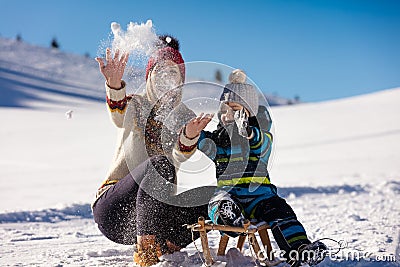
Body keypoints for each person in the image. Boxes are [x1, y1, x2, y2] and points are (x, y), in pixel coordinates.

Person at [174, 69, 327, 266]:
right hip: (229, 195)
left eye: (235, 109)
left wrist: (248, 132)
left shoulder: (260, 137)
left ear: (248, 112)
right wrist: (190, 133)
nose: (228, 114)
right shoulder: (218, 142)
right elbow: (196, 143)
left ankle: (299, 249)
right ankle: (229, 217)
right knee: (217, 202)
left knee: (282, 212)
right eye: (225, 109)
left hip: (261, 198)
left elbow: (261, 145)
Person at [92, 35, 210, 266]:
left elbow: (180, 155)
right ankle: (146, 253)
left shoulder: (184, 116)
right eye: (161, 71)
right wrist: (115, 86)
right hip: (115, 210)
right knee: (159, 164)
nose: (167, 77)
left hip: (156, 215)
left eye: (173, 72)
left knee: (210, 194)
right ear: (150, 76)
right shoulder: (136, 104)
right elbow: (118, 115)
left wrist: (189, 137)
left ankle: (167, 246)